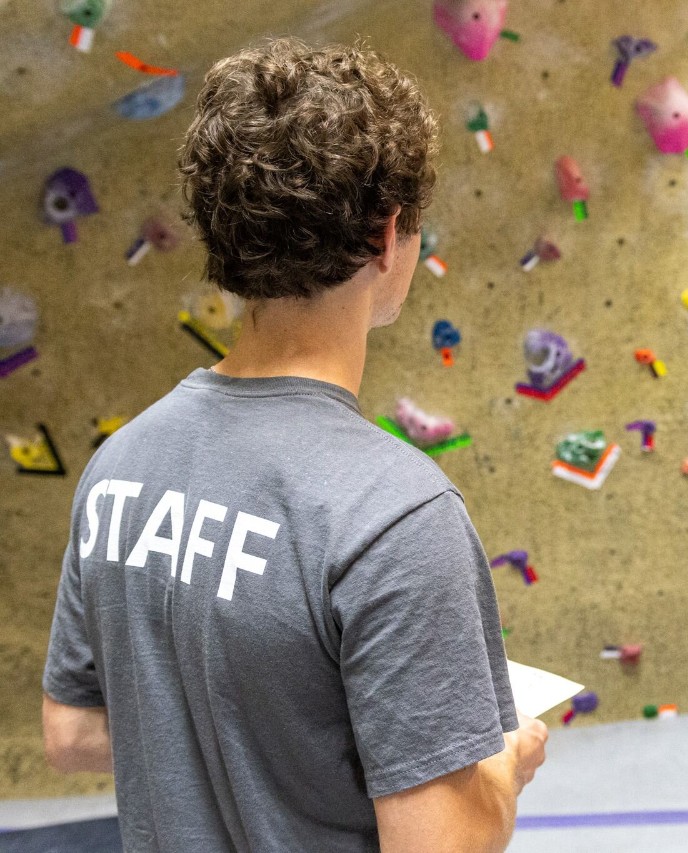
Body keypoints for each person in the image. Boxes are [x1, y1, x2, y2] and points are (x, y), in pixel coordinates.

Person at [41, 38, 546, 851]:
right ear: (390, 238)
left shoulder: (119, 466)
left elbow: (71, 732)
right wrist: (499, 769)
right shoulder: (396, 516)